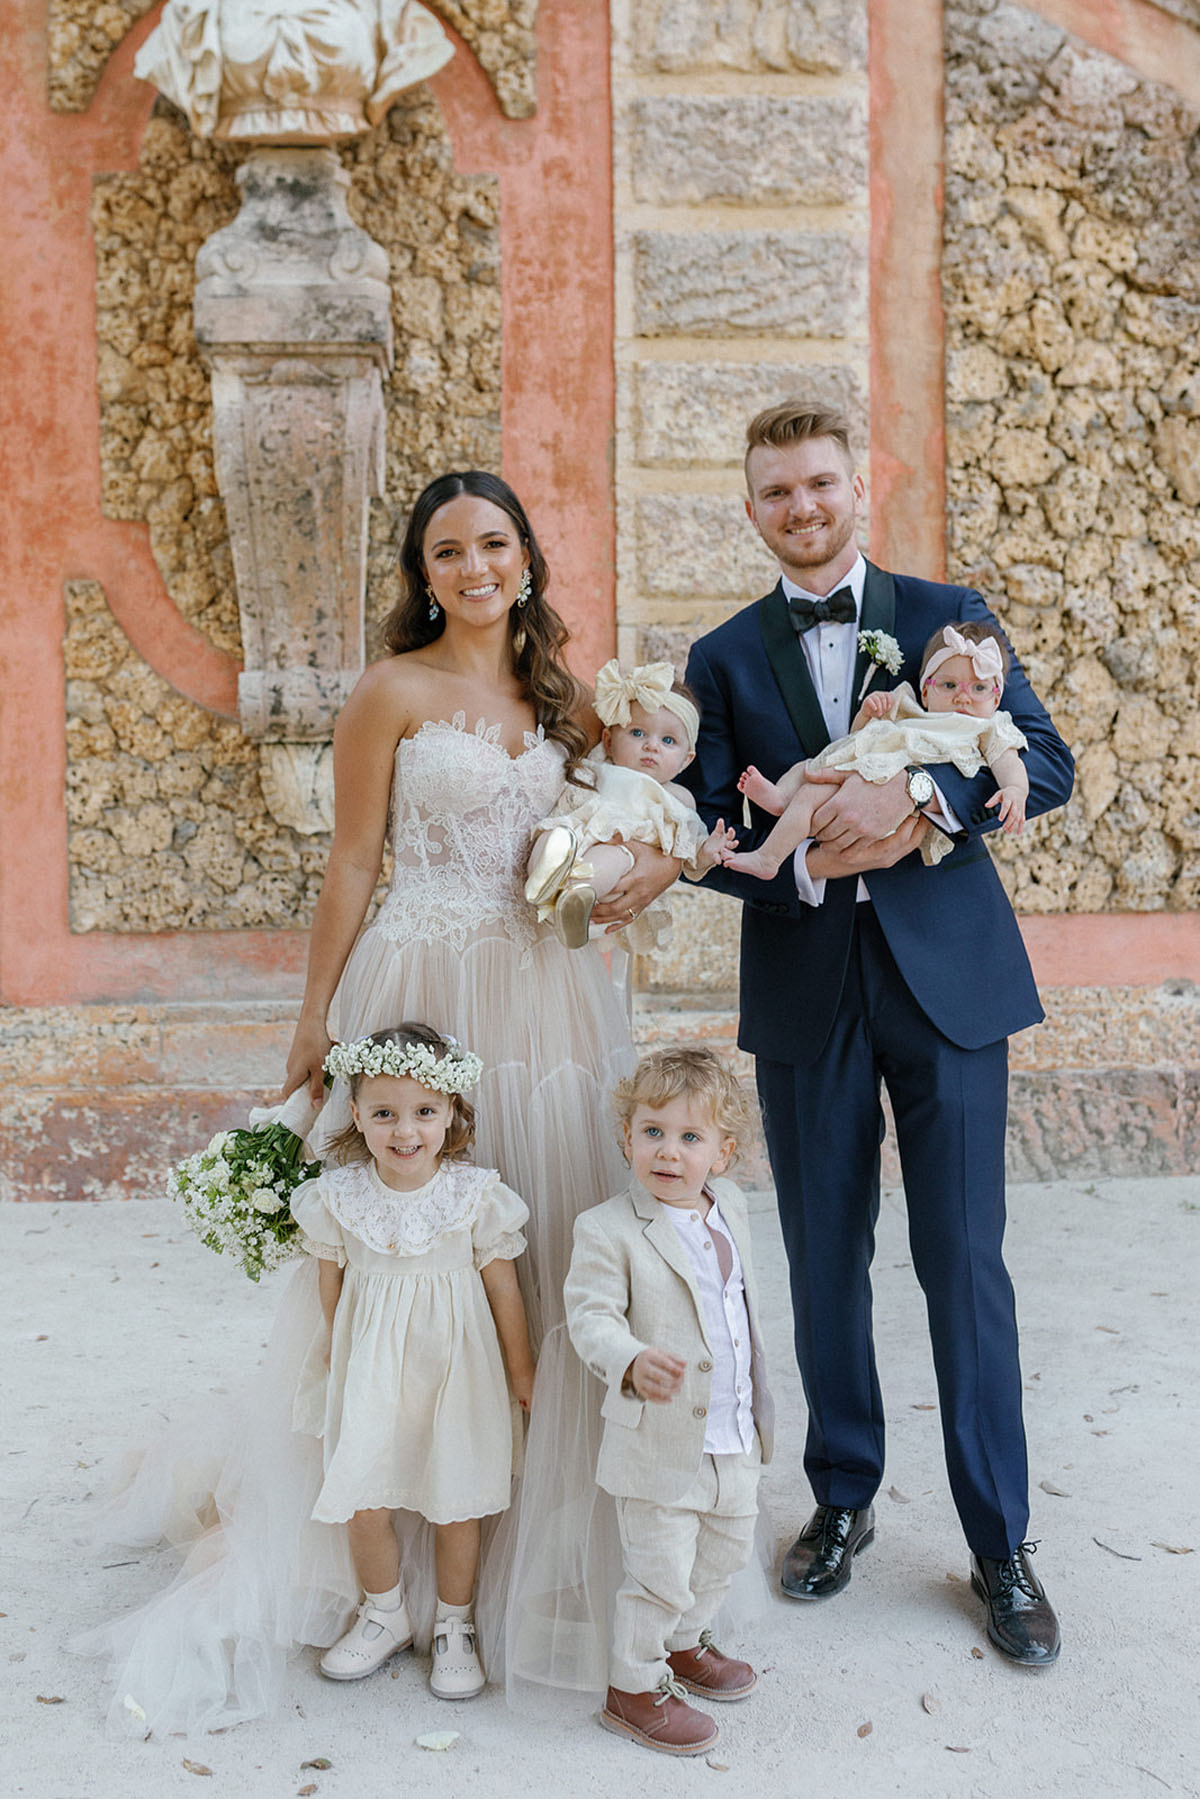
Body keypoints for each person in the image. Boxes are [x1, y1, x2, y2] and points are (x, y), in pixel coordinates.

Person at [677, 402, 1074, 1667]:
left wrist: (923, 801)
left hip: (948, 981)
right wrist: (771, 862)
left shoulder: (946, 607)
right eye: (776, 492)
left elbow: (1045, 758)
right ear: (751, 511)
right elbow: (708, 835)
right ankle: (841, 1497)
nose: (801, 506)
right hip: (806, 988)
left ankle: (1000, 1541)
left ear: (860, 487)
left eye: (819, 483)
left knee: (964, 1260)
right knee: (823, 1257)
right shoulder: (725, 653)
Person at [277, 468, 680, 1698]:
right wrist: (313, 1021)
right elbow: (352, 862)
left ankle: (524, 1551)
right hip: (423, 982)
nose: (473, 565)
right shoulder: (391, 690)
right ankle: (389, 1572)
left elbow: (645, 815)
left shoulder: (567, 704)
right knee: (406, 1255)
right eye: (447, 549)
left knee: (540, 1243)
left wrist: (647, 868)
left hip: (545, 992)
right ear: (423, 571)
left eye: (493, 542)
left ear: (525, 558)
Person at [294, 1024, 533, 1701]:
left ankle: (455, 1624)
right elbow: (331, 1286)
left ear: (454, 1113)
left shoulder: (475, 1194)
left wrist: (521, 1370)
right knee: (364, 1494)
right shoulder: (339, 1197)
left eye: (425, 1112)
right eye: (385, 1113)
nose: (406, 1131)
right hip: (372, 1365)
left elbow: (503, 1287)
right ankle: (384, 1610)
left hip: (456, 1367)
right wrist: (337, 1357)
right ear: (357, 1116)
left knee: (456, 1497)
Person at [564, 1049, 773, 1756]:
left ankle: (687, 1645)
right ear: (627, 1137)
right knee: (658, 1572)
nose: (669, 1151)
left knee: (723, 1552)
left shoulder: (733, 1208)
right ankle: (633, 1685)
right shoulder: (608, 1227)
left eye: (690, 1138)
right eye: (653, 1131)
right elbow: (589, 1318)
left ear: (723, 1152)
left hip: (734, 1433)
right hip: (658, 1439)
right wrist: (629, 1360)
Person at [725, 620, 1029, 880]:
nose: (963, 698)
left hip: (884, 801)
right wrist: (868, 713)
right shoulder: (909, 712)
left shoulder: (987, 727)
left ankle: (769, 858)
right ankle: (781, 799)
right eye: (949, 686)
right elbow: (858, 739)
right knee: (808, 769)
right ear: (925, 690)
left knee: (811, 794)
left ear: (997, 698)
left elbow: (1008, 760)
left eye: (979, 689)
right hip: (860, 769)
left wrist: (1015, 789)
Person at [525, 659, 735, 948]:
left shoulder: (676, 797)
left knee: (615, 858)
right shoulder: (598, 765)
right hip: (575, 834)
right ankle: (541, 877)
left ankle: (573, 900)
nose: (651, 745)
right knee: (553, 832)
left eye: (668, 740)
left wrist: (707, 852)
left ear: (687, 759)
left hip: (618, 852)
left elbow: (688, 846)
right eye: (638, 733)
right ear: (609, 741)